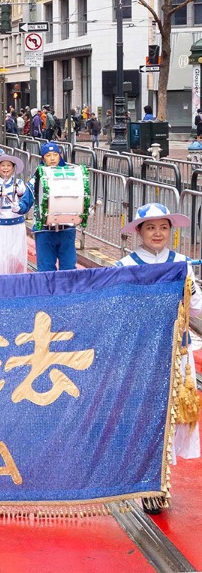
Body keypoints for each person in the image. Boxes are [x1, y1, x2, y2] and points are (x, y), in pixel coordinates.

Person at [115, 203, 201, 476]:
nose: (157, 233)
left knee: (172, 410)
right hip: (142, 351)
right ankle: (146, 471)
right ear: (139, 231)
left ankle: (163, 473)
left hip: (176, 350)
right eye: (151, 227)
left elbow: (196, 304)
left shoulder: (181, 264)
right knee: (145, 409)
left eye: (163, 227)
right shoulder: (124, 267)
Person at [24, 142, 79, 272]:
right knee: (46, 269)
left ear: (60, 156)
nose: (53, 158)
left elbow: (79, 195)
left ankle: (68, 292)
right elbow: (27, 198)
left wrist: (83, 211)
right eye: (48, 155)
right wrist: (20, 206)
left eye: (55, 154)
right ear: (43, 158)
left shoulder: (71, 175)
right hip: (44, 229)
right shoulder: (37, 177)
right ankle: (49, 292)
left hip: (67, 228)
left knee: (69, 268)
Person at [0, 154, 29, 275]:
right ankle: (0, 287)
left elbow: (25, 205)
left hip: (16, 225)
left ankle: (18, 285)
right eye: (3, 165)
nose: (6, 168)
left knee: (17, 257)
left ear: (13, 168)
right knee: (0, 258)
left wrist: (20, 197)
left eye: (9, 165)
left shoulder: (19, 183)